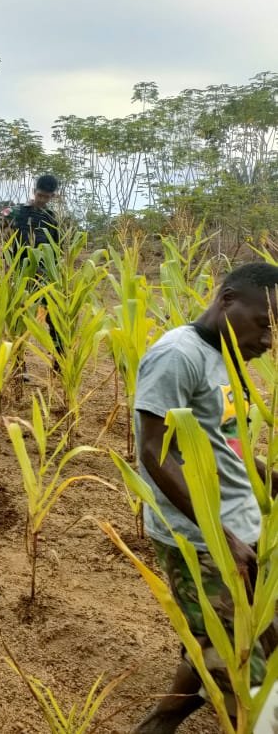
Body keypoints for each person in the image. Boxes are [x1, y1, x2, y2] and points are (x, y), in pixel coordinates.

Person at [132, 262, 278, 733]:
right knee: (249, 685)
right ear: (228, 299)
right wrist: (219, 536)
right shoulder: (178, 355)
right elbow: (153, 451)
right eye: (265, 324)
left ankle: (157, 726)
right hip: (201, 542)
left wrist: (265, 477)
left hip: (241, 529)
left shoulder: (228, 358)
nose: (270, 341)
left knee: (223, 647)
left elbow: (220, 440)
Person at [8, 173, 63, 370]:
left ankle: (59, 362)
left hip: (47, 275)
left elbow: (59, 247)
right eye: (40, 195)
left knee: (55, 318)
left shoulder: (52, 218)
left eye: (47, 197)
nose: (42, 200)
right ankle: (18, 365)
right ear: (34, 192)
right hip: (22, 275)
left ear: (52, 197)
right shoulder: (18, 212)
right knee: (20, 319)